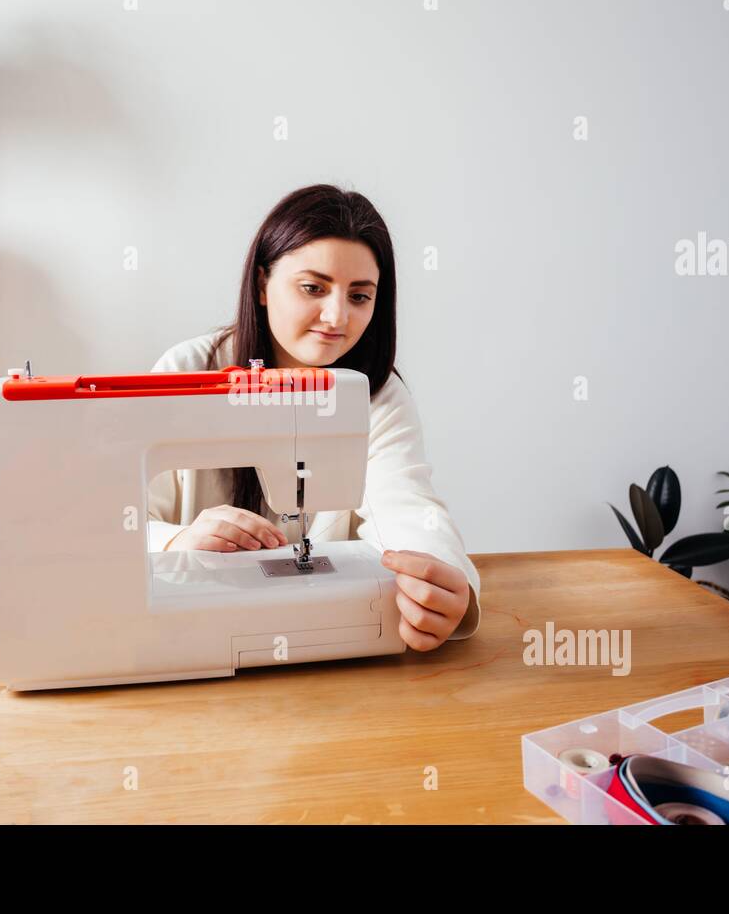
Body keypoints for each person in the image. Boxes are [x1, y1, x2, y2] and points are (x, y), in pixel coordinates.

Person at [147, 184, 480, 649]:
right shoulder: (187, 371)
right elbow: (116, 523)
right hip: (186, 640)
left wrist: (442, 585)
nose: (336, 316)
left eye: (360, 296)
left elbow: (407, 507)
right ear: (262, 285)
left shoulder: (376, 396)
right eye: (313, 288)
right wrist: (176, 542)